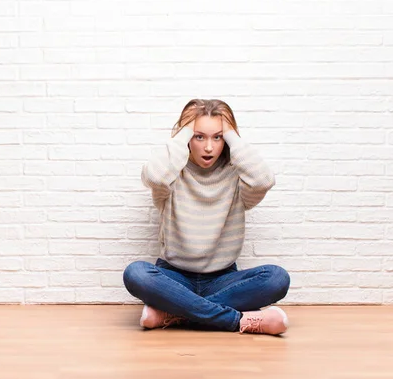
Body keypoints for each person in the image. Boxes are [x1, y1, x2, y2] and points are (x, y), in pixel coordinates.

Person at [123, 99, 291, 335]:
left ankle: (176, 312)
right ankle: (236, 320)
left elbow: (264, 180)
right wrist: (184, 132)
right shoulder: (171, 173)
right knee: (136, 273)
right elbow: (155, 177)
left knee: (277, 278)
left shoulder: (237, 176)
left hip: (223, 279)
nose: (209, 147)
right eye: (199, 136)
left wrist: (231, 133)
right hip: (174, 276)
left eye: (218, 137)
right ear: (187, 137)